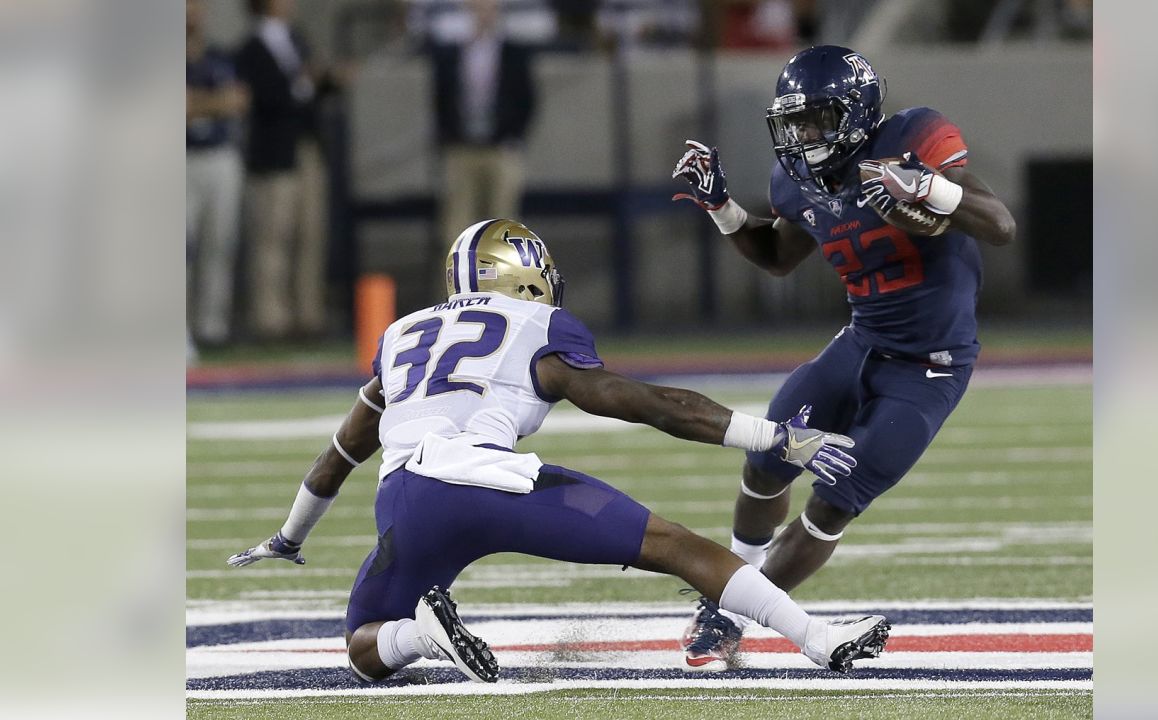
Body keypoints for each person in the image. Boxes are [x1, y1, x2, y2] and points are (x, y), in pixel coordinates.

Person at [227, 219, 891, 683]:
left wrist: (288, 537)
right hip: (492, 483)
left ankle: (420, 635)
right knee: (681, 548)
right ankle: (817, 638)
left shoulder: (400, 336)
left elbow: (337, 457)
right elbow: (642, 403)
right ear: (520, 275)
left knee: (364, 645)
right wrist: (776, 436)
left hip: (404, 501)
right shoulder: (536, 323)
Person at [671, 45, 1016, 671]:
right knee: (767, 455)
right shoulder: (796, 180)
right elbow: (778, 256)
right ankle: (734, 579)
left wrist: (931, 190)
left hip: (929, 365)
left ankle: (733, 614)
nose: (803, 138)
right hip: (860, 341)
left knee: (834, 496)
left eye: (816, 121)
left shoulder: (914, 140)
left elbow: (999, 224)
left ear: (856, 116)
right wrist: (721, 207)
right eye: (794, 123)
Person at [236, 0, 334, 341]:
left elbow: (310, 91)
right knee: (273, 237)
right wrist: (303, 82)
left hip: (306, 147)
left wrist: (324, 80)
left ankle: (308, 315)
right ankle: (270, 319)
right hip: (275, 154)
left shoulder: (298, 38)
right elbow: (266, 98)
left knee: (311, 234)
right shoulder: (250, 48)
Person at [431, 0, 537, 246]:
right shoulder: (454, 52)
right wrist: (448, 136)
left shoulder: (513, 53)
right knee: (457, 227)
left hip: (501, 148)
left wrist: (514, 136)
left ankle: (504, 284)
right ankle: (460, 283)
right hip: (461, 148)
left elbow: (527, 100)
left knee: (504, 229)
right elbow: (441, 98)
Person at [186, 0, 247, 348]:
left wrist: (198, 104)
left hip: (220, 157)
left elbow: (239, 100)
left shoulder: (218, 55)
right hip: (181, 157)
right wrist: (216, 102)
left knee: (219, 245)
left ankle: (212, 329)